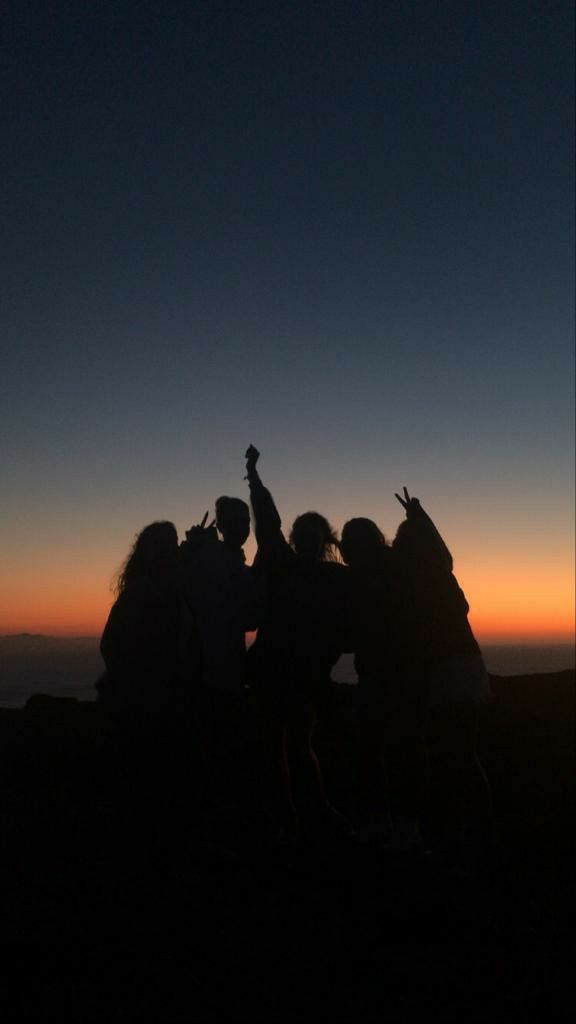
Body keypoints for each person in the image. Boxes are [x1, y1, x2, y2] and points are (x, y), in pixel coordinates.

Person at [245, 444, 352, 842]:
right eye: (303, 534)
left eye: (314, 535)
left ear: (324, 540)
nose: (307, 540)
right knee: (276, 744)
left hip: (303, 672)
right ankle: (287, 815)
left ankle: (308, 811)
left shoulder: (335, 579)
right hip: (275, 668)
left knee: (299, 743)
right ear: (297, 538)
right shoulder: (286, 565)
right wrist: (254, 478)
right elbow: (267, 522)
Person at [393, 488, 492, 868]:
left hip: (448, 671)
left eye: (405, 540)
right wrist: (420, 516)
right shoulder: (439, 576)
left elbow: (440, 553)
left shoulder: (418, 580)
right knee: (463, 754)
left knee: (451, 755)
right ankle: (477, 831)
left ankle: (464, 834)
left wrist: (419, 517)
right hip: (465, 667)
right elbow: (442, 553)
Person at [339, 517, 427, 848]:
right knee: (399, 750)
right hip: (400, 673)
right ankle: (404, 825)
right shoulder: (394, 566)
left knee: (376, 750)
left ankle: (386, 823)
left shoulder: (362, 576)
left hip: (386, 674)